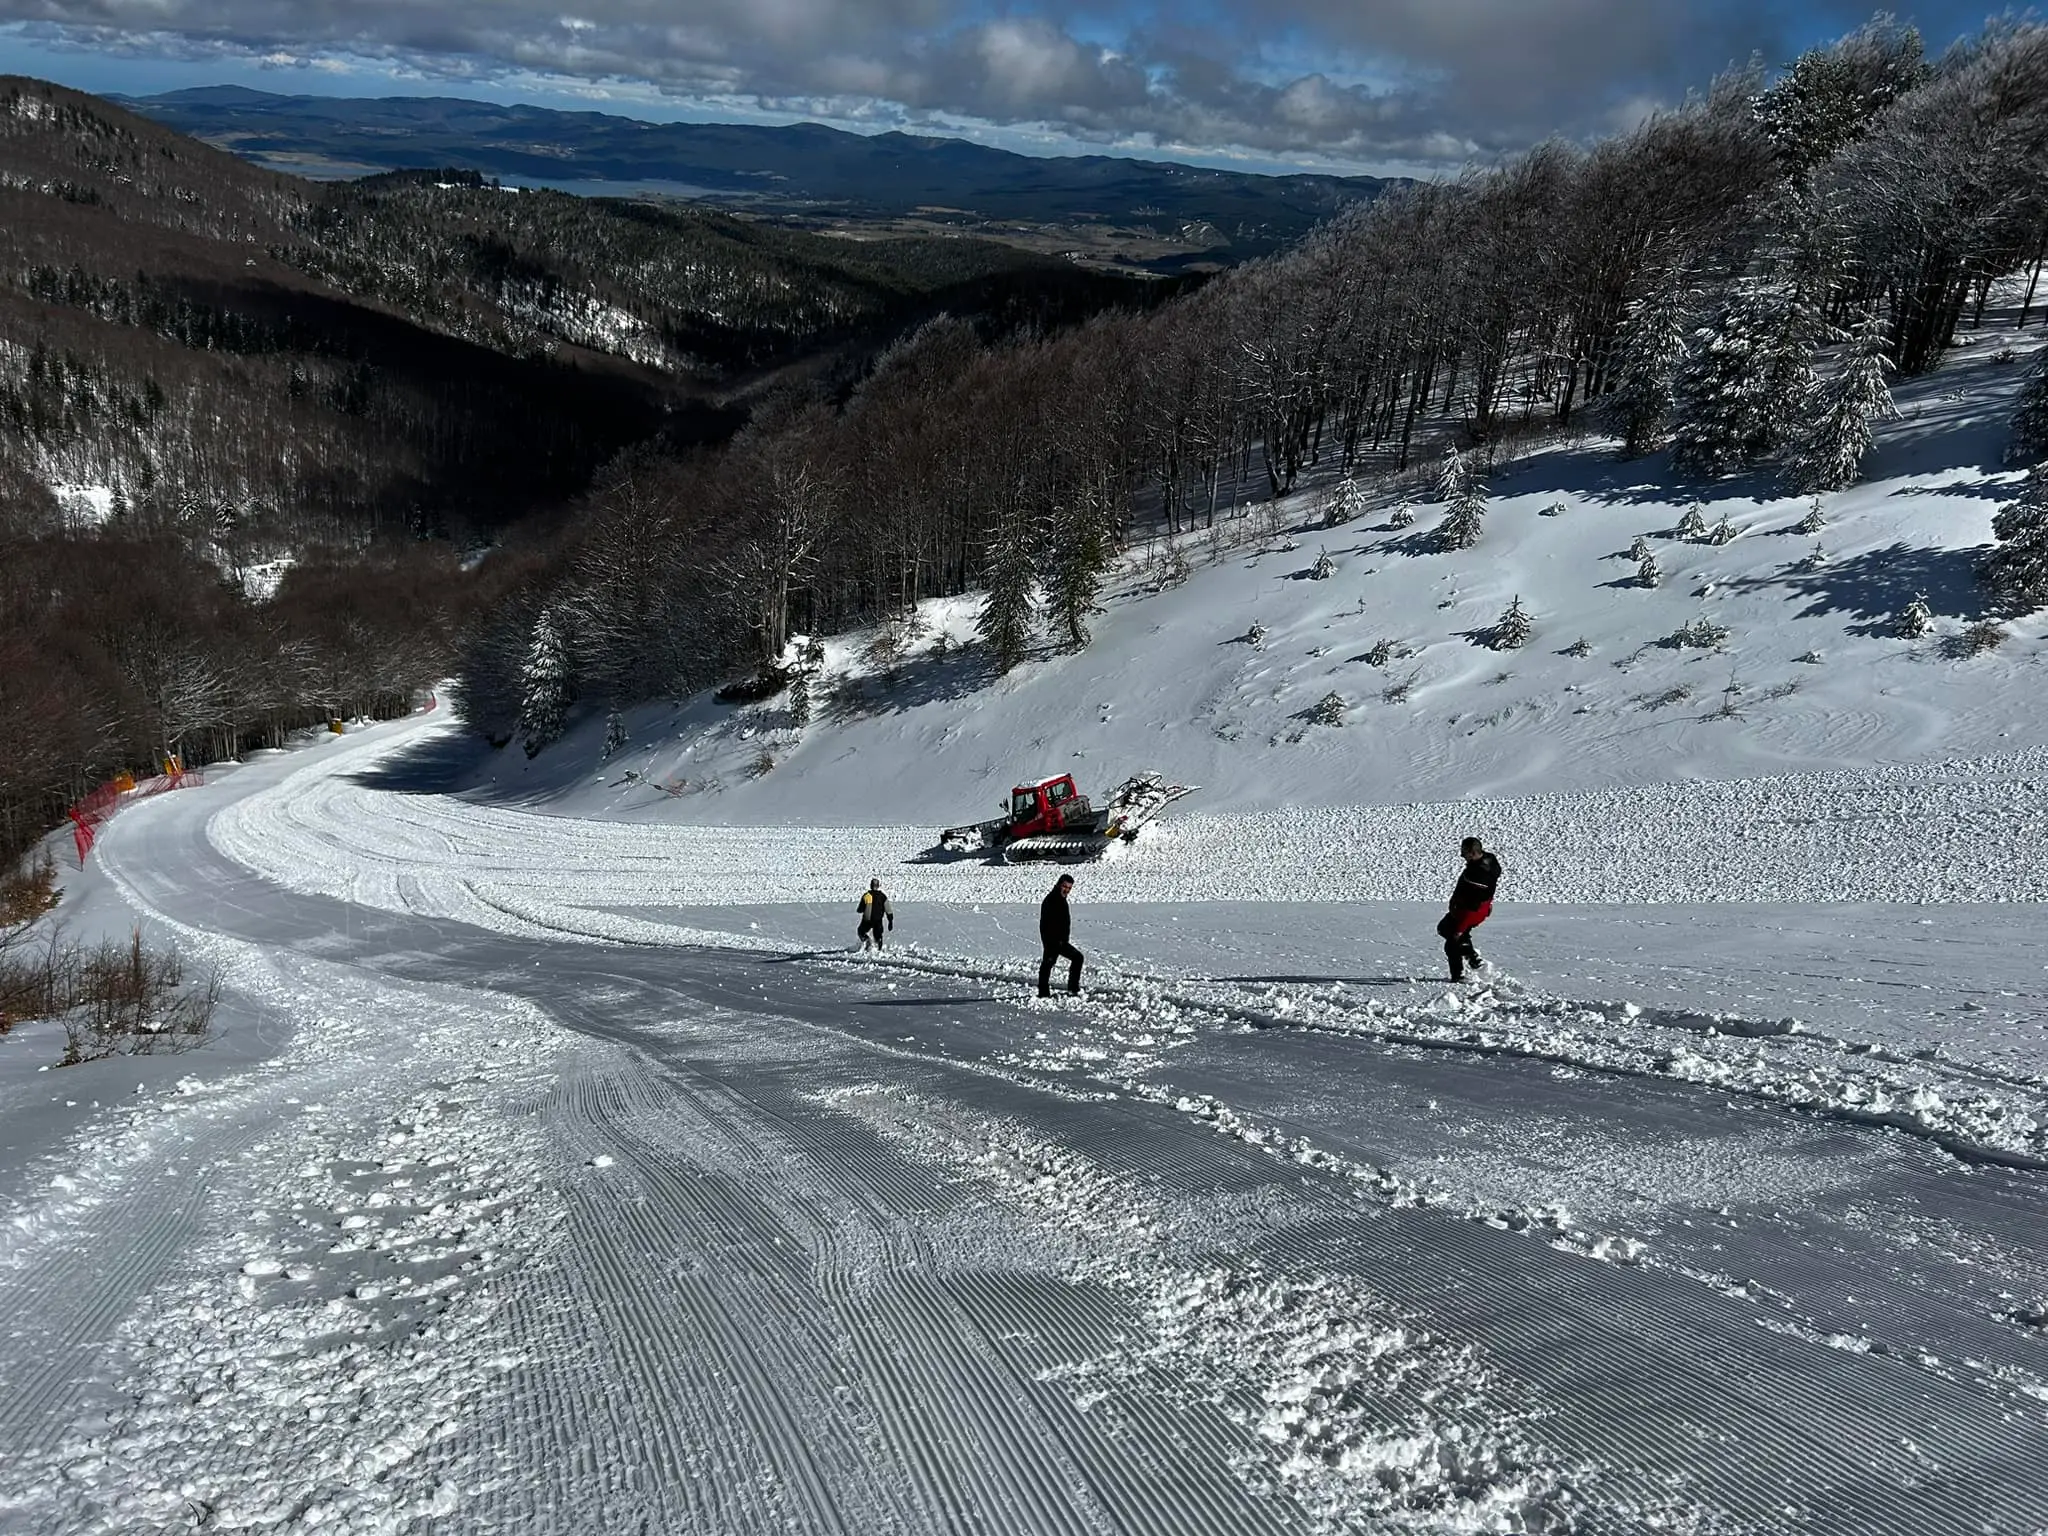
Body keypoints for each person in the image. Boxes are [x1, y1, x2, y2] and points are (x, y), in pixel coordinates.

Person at [1437, 836, 1501, 981]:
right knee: (1446, 930)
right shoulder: (1489, 860)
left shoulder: (1477, 876)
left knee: (1452, 942)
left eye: (1464, 852)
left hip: (1468, 913)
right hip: (1478, 910)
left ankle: (1459, 975)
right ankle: (1471, 956)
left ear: (1472, 853)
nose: (1461, 855)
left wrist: (1460, 929)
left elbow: (1472, 907)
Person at [1038, 873, 1084, 997]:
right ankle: (1072, 989)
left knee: (1048, 963)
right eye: (1064, 886)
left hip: (1060, 940)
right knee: (1077, 958)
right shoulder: (1051, 900)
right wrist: (1051, 941)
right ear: (1058, 884)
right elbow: (1045, 924)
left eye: (1069, 888)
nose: (1067, 890)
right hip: (1054, 941)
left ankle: (1043, 992)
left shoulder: (1060, 899)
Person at [857, 878, 893, 951]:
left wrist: (862, 909)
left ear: (870, 885)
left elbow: (860, 909)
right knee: (878, 936)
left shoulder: (866, 896)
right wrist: (890, 921)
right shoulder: (882, 896)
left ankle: (867, 941)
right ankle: (879, 950)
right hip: (878, 921)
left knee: (861, 931)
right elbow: (888, 910)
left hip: (867, 920)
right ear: (878, 886)